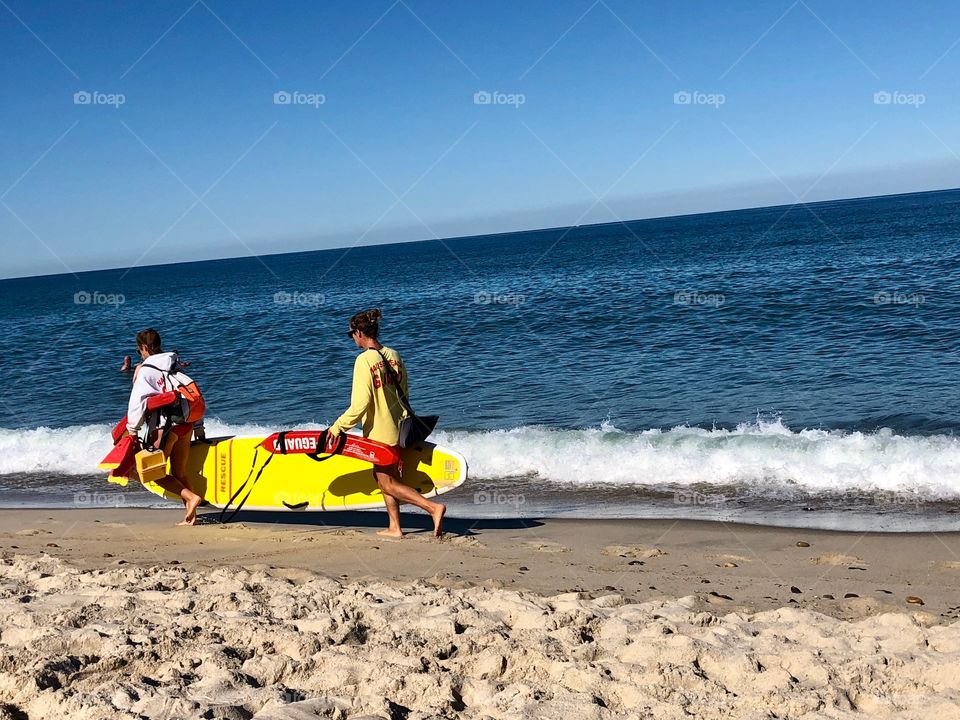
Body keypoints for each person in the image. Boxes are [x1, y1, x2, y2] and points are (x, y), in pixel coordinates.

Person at [327, 309, 445, 538]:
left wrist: (337, 427)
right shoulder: (394, 355)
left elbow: (360, 404)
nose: (353, 338)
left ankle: (433, 508)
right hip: (399, 428)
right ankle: (395, 527)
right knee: (385, 479)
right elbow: (406, 393)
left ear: (360, 332)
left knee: (387, 483)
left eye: (352, 333)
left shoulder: (363, 360)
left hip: (380, 431)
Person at [126, 328, 204, 525]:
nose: (140, 354)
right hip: (185, 423)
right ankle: (190, 517)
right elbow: (190, 393)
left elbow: (137, 403)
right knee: (179, 472)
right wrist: (199, 428)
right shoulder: (173, 364)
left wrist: (132, 430)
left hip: (165, 427)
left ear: (144, 347)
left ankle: (191, 498)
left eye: (139, 351)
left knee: (154, 473)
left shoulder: (146, 370)